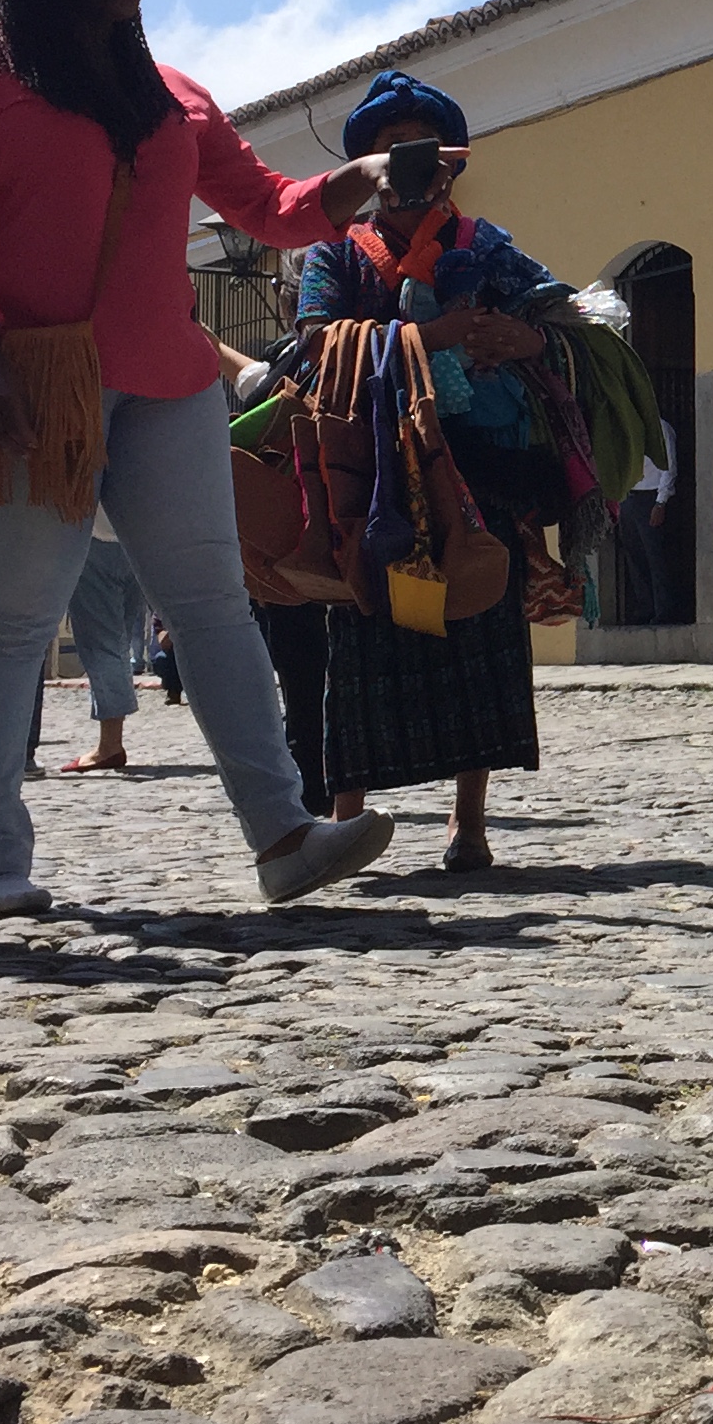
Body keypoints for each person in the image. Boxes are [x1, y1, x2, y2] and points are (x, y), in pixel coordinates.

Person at [0, 0, 401, 914]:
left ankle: (283, 836)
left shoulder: (173, 95)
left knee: (216, 607)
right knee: (13, 619)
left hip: (170, 384)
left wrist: (353, 185)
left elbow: (267, 205)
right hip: (33, 388)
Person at [291, 69, 571, 874]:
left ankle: (468, 821)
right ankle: (346, 819)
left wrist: (531, 341)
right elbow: (315, 342)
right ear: (371, 168)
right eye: (395, 150)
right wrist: (432, 338)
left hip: (481, 472)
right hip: (375, 476)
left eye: (429, 151)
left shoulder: (489, 248)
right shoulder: (335, 254)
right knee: (366, 638)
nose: (416, 165)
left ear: (453, 164)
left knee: (479, 627)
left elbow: (564, 320)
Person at [56, 515, 145, 772]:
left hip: (92, 534)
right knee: (118, 640)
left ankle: (110, 744)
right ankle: (110, 741)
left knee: (102, 645)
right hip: (136, 536)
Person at [615, 426, 675, 626]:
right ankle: (645, 608)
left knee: (655, 555)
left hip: (650, 497)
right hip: (627, 495)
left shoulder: (661, 428)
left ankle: (664, 610)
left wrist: (661, 502)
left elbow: (669, 466)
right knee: (634, 555)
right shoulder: (626, 425)